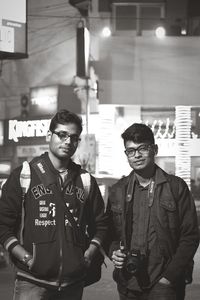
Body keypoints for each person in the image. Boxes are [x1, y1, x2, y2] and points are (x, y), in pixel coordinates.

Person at [0, 109, 108, 300]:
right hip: (31, 282)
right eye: (62, 135)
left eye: (74, 137)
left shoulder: (85, 180)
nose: (68, 142)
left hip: (72, 284)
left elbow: (101, 225)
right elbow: (3, 225)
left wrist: (88, 255)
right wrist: (28, 259)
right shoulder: (24, 175)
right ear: (49, 135)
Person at [107, 123, 199, 300]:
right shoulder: (118, 190)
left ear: (154, 149)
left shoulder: (176, 187)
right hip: (128, 282)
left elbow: (190, 236)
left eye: (142, 148)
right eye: (131, 151)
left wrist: (169, 277)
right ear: (126, 154)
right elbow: (110, 233)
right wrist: (113, 252)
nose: (137, 155)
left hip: (164, 284)